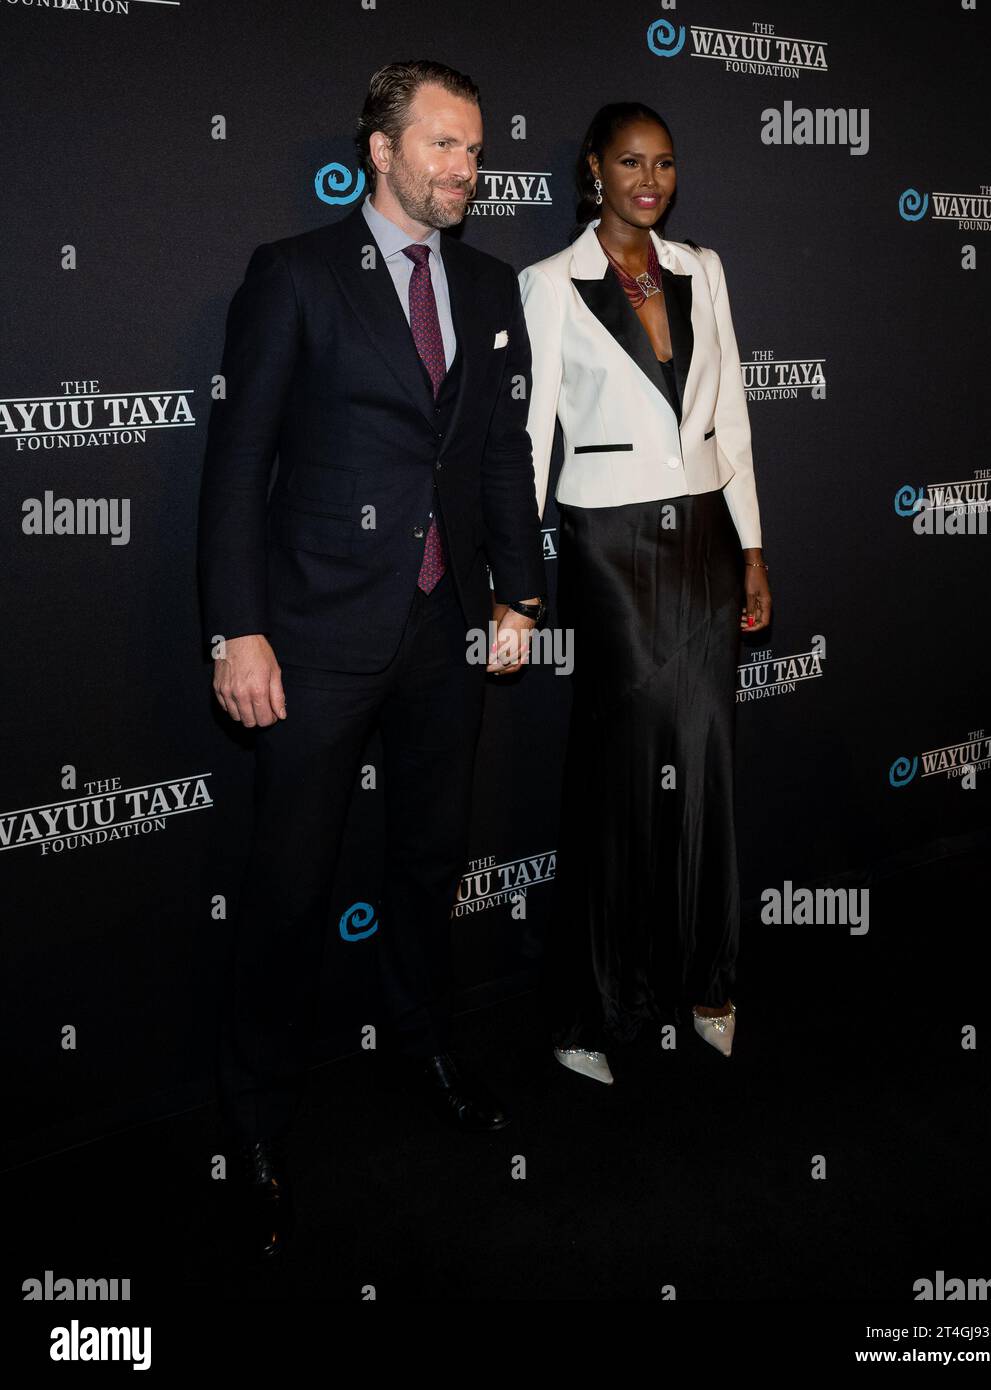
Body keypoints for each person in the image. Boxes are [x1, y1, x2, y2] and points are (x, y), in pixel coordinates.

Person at [197, 59, 547, 1258]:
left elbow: (500, 452)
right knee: (290, 888)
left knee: (426, 862)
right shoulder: (295, 275)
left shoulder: (491, 284)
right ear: (380, 148)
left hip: (447, 634)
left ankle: (428, 1054)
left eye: (474, 150)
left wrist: (518, 592)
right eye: (443, 146)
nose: (465, 168)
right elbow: (238, 466)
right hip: (314, 639)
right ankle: (254, 1122)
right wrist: (237, 628)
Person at [518, 103, 772, 1086]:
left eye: (663, 163)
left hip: (704, 537)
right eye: (629, 162)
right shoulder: (549, 285)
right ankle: (591, 1005)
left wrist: (751, 545)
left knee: (705, 759)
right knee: (619, 769)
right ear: (593, 169)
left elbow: (733, 416)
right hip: (612, 546)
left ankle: (707, 982)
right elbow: (532, 435)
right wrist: (517, 578)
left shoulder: (701, 270)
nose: (648, 180)